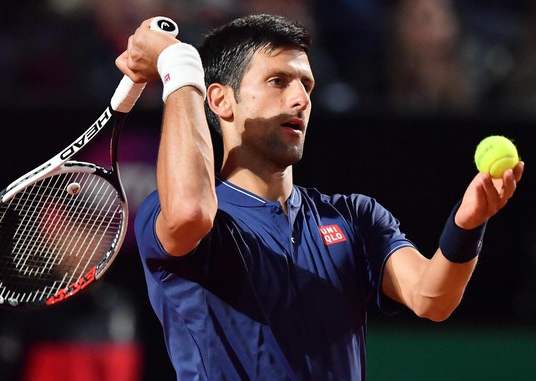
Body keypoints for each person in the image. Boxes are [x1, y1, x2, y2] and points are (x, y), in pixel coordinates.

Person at [116, 14, 524, 380]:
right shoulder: (172, 213)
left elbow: (431, 298)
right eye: (278, 81)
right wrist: (179, 63)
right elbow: (190, 210)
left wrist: (467, 224)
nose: (300, 99)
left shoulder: (355, 217)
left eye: (306, 85)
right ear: (220, 99)